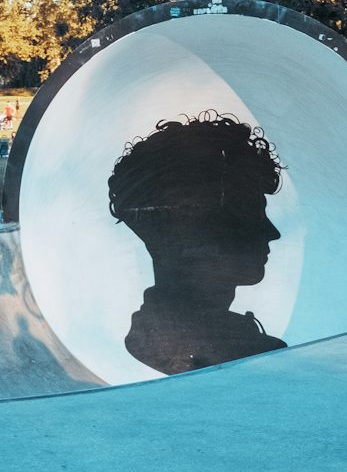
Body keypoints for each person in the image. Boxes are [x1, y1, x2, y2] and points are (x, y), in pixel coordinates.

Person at [109, 113, 287, 375]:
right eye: (250, 212)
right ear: (186, 223)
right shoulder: (250, 363)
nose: (272, 233)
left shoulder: (150, 348)